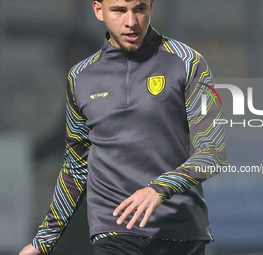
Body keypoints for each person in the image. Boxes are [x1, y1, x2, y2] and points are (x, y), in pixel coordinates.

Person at [19, 0, 227, 254]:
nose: (131, 21)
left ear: (151, 6)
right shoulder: (80, 77)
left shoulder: (189, 63)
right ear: (98, 10)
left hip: (179, 231)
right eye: (119, 10)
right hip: (114, 230)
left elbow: (213, 152)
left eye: (139, 9)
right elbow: (76, 167)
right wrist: (44, 239)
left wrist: (158, 189)